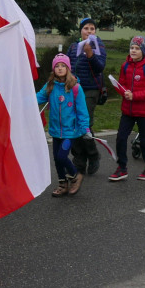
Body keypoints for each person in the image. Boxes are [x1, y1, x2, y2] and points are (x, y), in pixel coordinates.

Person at [37, 54, 89, 196]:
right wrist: (22, 100)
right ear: (54, 70)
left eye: (63, 66)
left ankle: (76, 175)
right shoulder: (50, 86)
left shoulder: (76, 88)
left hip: (70, 131)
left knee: (61, 157)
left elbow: (82, 110)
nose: (60, 69)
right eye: (57, 66)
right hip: (55, 130)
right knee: (57, 159)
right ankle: (63, 184)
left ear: (68, 69)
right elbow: (38, 98)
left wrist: (85, 128)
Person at [109, 36, 145, 181]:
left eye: (137, 48)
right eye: (131, 48)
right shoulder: (125, 66)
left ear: (143, 51)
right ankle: (122, 167)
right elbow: (121, 84)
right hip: (128, 111)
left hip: (144, 111)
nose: (133, 51)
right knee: (121, 138)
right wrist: (123, 92)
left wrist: (134, 95)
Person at [69, 17, 105, 175]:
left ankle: (93, 154)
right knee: (73, 124)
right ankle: (79, 160)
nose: (89, 31)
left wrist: (90, 54)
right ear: (81, 31)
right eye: (86, 28)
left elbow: (99, 68)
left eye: (92, 29)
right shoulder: (73, 46)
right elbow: (67, 66)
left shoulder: (99, 46)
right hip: (73, 89)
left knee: (85, 125)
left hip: (90, 90)